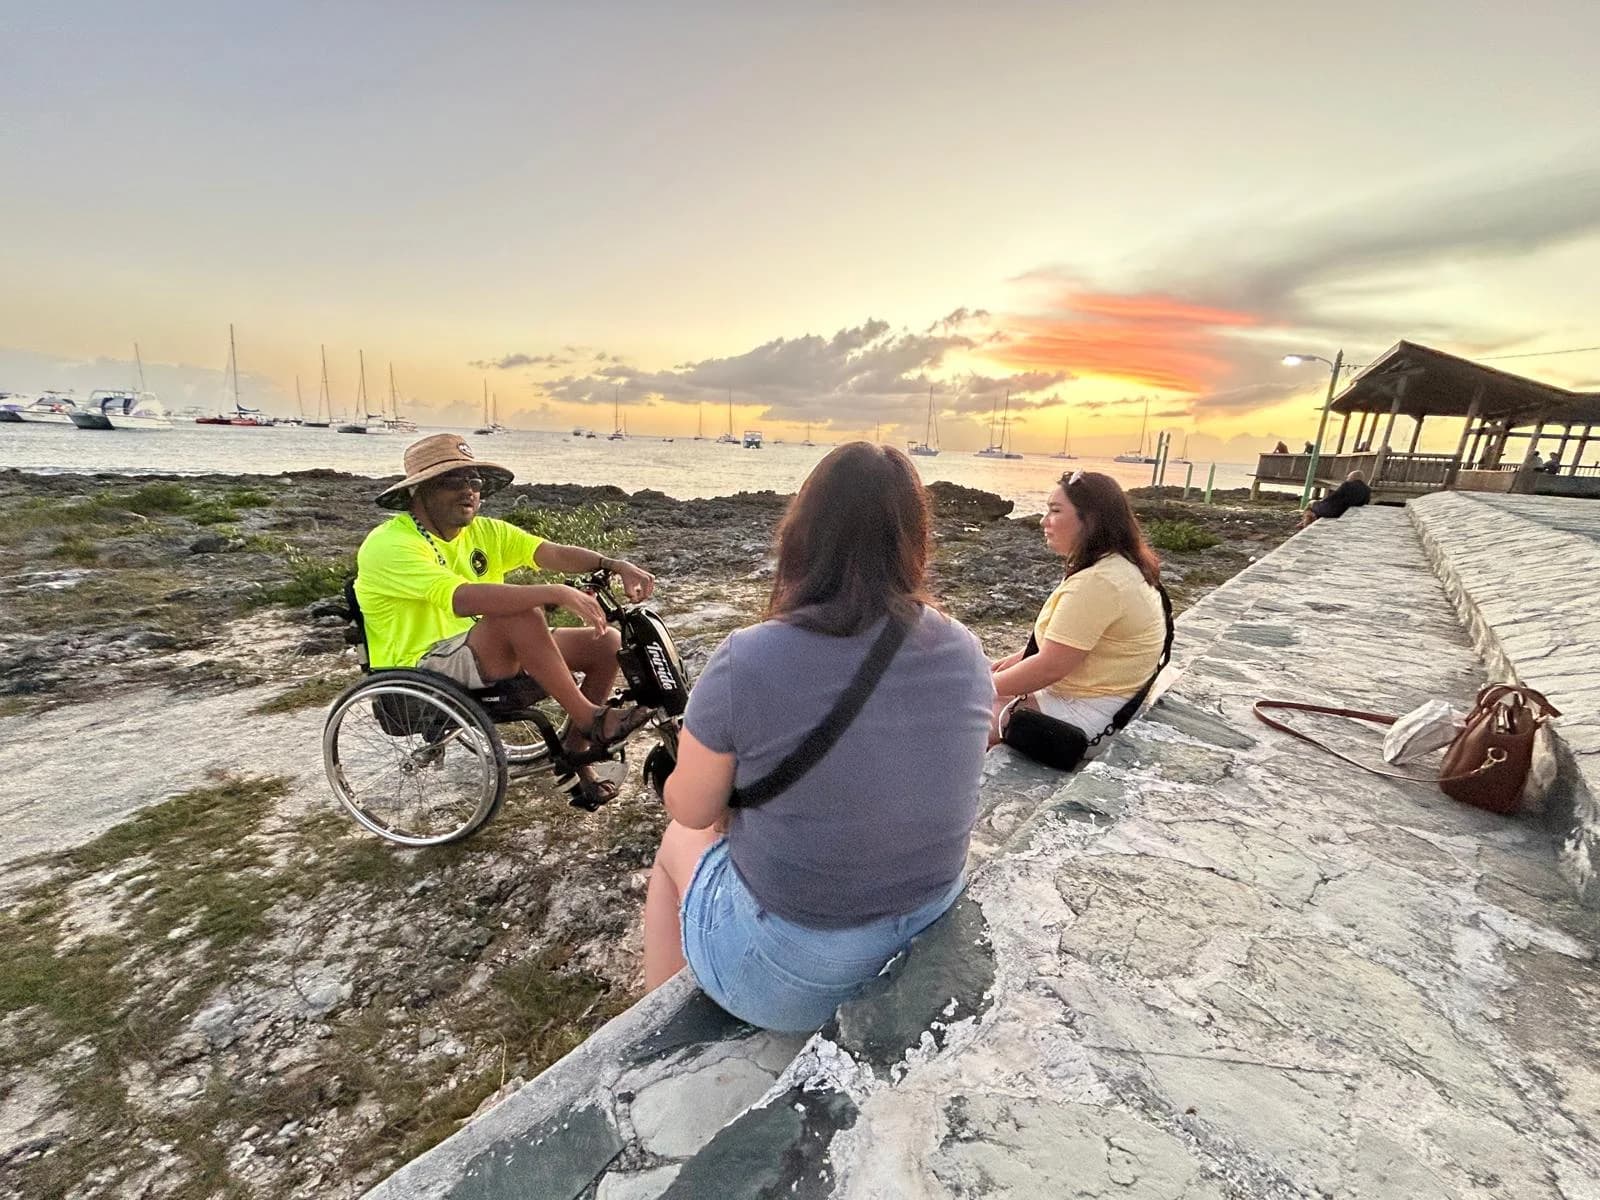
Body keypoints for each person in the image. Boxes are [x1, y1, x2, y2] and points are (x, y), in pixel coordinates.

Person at [641, 443, 993, 1031]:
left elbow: (694, 806)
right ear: (913, 539)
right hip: (930, 921)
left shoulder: (748, 659)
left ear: (802, 534)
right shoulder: (963, 647)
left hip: (801, 976)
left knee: (679, 839)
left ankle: (658, 1031)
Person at [355, 433, 658, 798]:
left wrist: (613, 563)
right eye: (452, 481)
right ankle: (591, 718)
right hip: (422, 664)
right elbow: (463, 598)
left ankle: (577, 754)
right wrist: (554, 592)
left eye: (474, 481)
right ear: (418, 493)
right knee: (518, 612)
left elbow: (553, 554)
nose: (468, 490)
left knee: (605, 641)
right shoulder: (390, 544)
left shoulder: (486, 532)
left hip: (481, 646)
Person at [990, 470, 1165, 749]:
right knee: (979, 694)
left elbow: (1049, 667)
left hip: (1091, 712)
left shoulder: (1099, 582)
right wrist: (991, 672)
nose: (1043, 521)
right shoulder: (1114, 565)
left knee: (958, 718)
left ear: (1091, 519)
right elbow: (1058, 646)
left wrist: (974, 688)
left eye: (1055, 511)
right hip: (1105, 694)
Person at [1300, 469, 1372, 527]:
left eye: (1348, 477)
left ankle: (1305, 524)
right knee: (1316, 509)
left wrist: (1321, 502)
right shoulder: (1367, 489)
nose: (1347, 479)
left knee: (1311, 504)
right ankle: (1306, 522)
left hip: (1336, 512)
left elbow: (1332, 498)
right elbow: (1365, 502)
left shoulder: (1347, 485)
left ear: (1353, 477)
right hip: (1349, 512)